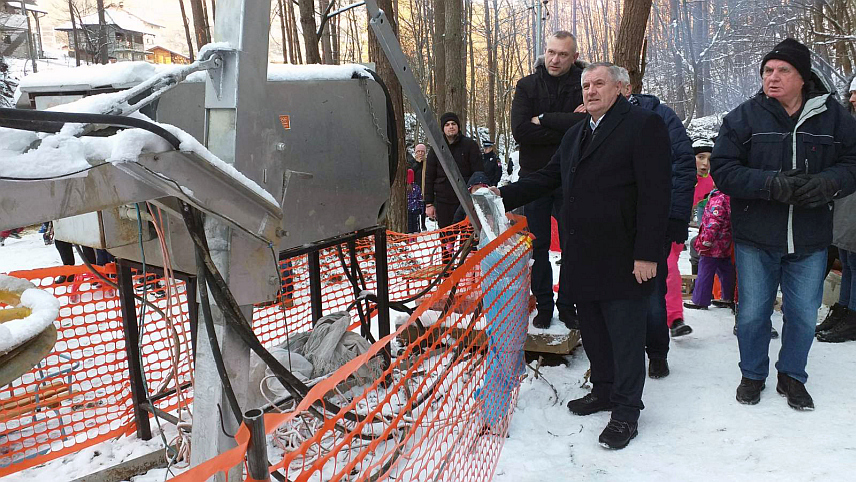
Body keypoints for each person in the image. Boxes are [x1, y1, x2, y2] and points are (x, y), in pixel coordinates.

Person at [497, 62, 671, 449]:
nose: (590, 91)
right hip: (583, 255)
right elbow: (548, 178)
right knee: (593, 331)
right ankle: (604, 390)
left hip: (625, 256)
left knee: (625, 338)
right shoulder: (576, 133)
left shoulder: (643, 126)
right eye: (585, 85)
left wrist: (646, 254)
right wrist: (503, 195)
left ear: (620, 88)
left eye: (599, 84)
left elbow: (656, 196)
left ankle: (626, 412)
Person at [711, 38, 856, 410]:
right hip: (756, 237)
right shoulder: (743, 117)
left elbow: (853, 162)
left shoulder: (835, 117)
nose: (772, 78)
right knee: (753, 314)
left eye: (782, 71)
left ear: (803, 76)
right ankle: (753, 375)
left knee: (804, 315)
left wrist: (830, 182)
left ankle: (792, 376)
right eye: (767, 71)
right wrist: (768, 184)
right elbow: (723, 170)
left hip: (809, 237)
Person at [613, 67, 697, 379]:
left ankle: (657, 351)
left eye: (609, 85)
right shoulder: (594, 121)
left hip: (652, 224)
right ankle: (619, 356)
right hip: (610, 227)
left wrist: (676, 216)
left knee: (651, 293)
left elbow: (683, 166)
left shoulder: (660, 116)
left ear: (626, 87)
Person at [510, 30, 587, 329]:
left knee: (573, 244)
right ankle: (544, 304)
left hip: (573, 176)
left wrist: (542, 119)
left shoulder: (585, 84)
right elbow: (520, 131)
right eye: (551, 52)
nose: (555, 59)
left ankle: (568, 305)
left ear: (574, 56)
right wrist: (569, 124)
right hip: (534, 177)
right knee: (538, 245)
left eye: (563, 54)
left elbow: (588, 123)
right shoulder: (527, 85)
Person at [816, 75, 856, 343]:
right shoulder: (849, 126)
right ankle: (843, 309)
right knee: (848, 257)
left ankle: (852, 315)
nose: (852, 99)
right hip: (847, 200)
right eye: (851, 94)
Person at [424, 112, 483, 228]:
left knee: (468, 241)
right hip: (443, 201)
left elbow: (479, 173)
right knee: (447, 240)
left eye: (453, 124)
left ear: (458, 126)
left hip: (467, 201)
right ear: (443, 128)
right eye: (447, 124)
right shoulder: (435, 149)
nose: (451, 126)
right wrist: (429, 203)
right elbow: (429, 177)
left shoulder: (470, 146)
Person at [683, 189, 736, 310]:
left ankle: (700, 300)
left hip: (713, 244)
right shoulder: (729, 197)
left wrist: (706, 241)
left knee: (705, 269)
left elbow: (713, 222)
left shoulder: (718, 199)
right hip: (726, 242)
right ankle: (728, 297)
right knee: (726, 270)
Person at [406, 168, 423, 234]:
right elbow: (420, 198)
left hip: (408, 208)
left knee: (409, 223)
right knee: (415, 222)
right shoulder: (417, 187)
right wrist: (421, 207)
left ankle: (410, 236)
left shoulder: (404, 188)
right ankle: (415, 236)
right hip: (416, 207)